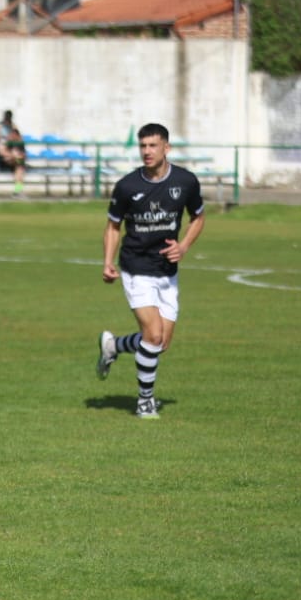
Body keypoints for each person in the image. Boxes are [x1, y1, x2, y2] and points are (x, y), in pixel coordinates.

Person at [95, 123, 206, 419]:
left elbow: (198, 217)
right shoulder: (128, 186)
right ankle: (145, 402)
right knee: (153, 336)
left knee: (160, 344)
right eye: (143, 146)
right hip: (136, 267)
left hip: (167, 270)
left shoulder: (185, 182)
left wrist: (183, 247)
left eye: (153, 145)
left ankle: (113, 346)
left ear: (166, 148)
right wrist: (108, 260)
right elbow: (113, 225)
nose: (146, 151)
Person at [1, 127, 29, 196]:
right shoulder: (6, 142)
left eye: (14, 134)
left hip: (17, 164)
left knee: (20, 170)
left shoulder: (20, 143)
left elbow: (23, 155)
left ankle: (17, 191)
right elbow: (3, 153)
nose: (12, 136)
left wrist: (17, 156)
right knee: (19, 167)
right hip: (6, 163)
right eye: (11, 134)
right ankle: (17, 191)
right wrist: (13, 155)